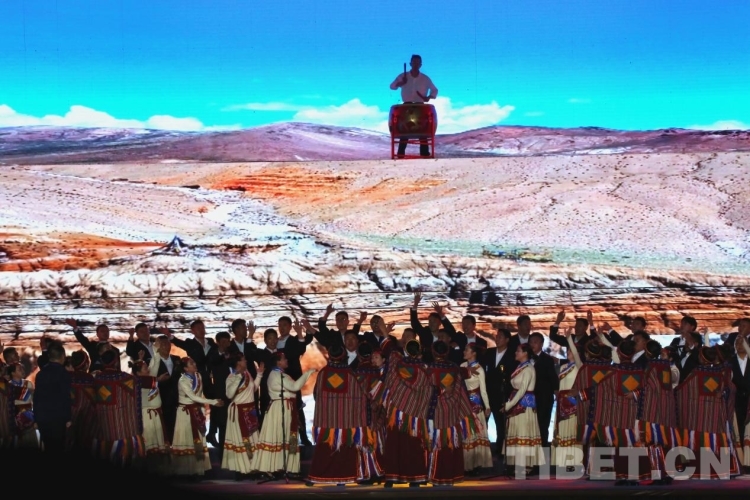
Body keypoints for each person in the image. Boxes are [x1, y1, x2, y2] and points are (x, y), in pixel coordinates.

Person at [308, 344, 371, 485]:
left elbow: (316, 395)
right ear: (343, 357)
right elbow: (360, 397)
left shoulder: (323, 373)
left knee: (324, 450)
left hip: (327, 421)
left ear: (330, 356)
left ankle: (315, 477)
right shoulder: (350, 374)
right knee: (344, 450)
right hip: (346, 422)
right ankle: (343, 478)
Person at [253, 352, 315, 476]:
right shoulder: (277, 375)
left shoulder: (279, 375)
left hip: (285, 408)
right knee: (279, 436)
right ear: (278, 362)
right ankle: (273, 467)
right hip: (279, 409)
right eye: (284, 359)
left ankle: (286, 467)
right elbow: (295, 386)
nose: (286, 360)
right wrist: (308, 373)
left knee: (287, 437)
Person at [380, 340, 432, 487]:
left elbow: (391, 355)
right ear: (419, 353)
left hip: (396, 414)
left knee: (394, 444)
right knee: (413, 446)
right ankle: (415, 478)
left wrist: (386, 335)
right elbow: (428, 391)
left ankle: (391, 478)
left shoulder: (396, 365)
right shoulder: (424, 370)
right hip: (415, 415)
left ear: (406, 351)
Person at [425, 341, 474, 486]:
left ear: (433, 352)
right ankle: (451, 477)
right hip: (452, 414)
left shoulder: (429, 370)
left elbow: (425, 390)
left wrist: (439, 391)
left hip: (434, 413)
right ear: (447, 352)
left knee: (436, 444)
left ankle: (436, 477)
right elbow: (459, 390)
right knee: (451, 445)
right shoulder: (454, 368)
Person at [171, 356, 223, 477]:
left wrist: (203, 408)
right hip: (185, 413)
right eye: (191, 363)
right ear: (185, 368)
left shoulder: (198, 376)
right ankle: (185, 471)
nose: (194, 364)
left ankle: (198, 469)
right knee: (187, 438)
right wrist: (213, 402)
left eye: (194, 362)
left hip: (196, 410)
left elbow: (199, 394)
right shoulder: (182, 381)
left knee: (199, 436)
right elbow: (193, 397)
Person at [91, 350, 145, 466]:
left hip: (102, 432)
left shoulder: (96, 379)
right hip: (124, 432)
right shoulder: (129, 380)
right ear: (116, 362)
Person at [502, 343, 545, 474]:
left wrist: (509, 405)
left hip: (525, 406)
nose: (516, 353)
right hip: (516, 402)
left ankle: (526, 465)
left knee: (523, 432)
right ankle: (517, 464)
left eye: (518, 351)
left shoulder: (528, 369)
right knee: (516, 432)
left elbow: (522, 390)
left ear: (525, 353)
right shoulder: (520, 367)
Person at [222, 354, 263, 480]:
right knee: (240, 440)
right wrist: (238, 376)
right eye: (244, 359)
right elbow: (229, 395)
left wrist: (259, 374)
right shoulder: (232, 377)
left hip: (250, 411)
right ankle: (240, 470)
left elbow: (253, 389)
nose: (246, 360)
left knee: (253, 440)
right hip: (238, 413)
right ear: (238, 363)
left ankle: (253, 468)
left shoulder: (247, 373)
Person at [389, 54, 438, 157]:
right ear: (410, 63)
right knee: (404, 130)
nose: (415, 64)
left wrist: (429, 97)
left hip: (421, 106)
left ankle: (424, 153)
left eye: (418, 62)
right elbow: (392, 86)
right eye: (414, 62)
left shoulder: (425, 78)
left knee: (423, 130)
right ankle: (401, 154)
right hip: (406, 106)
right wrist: (401, 83)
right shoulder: (403, 76)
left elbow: (434, 90)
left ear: (420, 64)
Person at [33, 340, 72, 455]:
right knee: (59, 448)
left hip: (43, 418)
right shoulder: (64, 374)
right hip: (58, 418)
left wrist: (36, 418)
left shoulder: (40, 374)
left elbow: (37, 398)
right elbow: (66, 397)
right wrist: (68, 418)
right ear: (63, 356)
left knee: (48, 448)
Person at [552, 329, 583, 472]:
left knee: (572, 430)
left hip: (573, 401)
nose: (569, 352)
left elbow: (576, 355)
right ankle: (562, 462)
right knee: (562, 429)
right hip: (561, 401)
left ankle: (574, 462)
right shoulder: (563, 367)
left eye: (571, 350)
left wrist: (569, 338)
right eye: (568, 350)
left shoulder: (579, 367)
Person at [461, 343, 492, 474]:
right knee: (466, 434)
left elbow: (483, 390)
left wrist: (487, 406)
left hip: (475, 405)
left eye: (466, 350)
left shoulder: (480, 369)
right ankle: (466, 465)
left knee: (475, 434)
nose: (464, 352)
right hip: (463, 404)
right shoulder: (462, 366)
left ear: (473, 353)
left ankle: (476, 465)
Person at [7, 363, 39, 449]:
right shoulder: (8, 386)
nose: (22, 371)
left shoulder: (28, 384)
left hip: (29, 418)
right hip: (15, 419)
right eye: (19, 369)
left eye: (22, 369)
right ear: (13, 373)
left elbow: (34, 401)